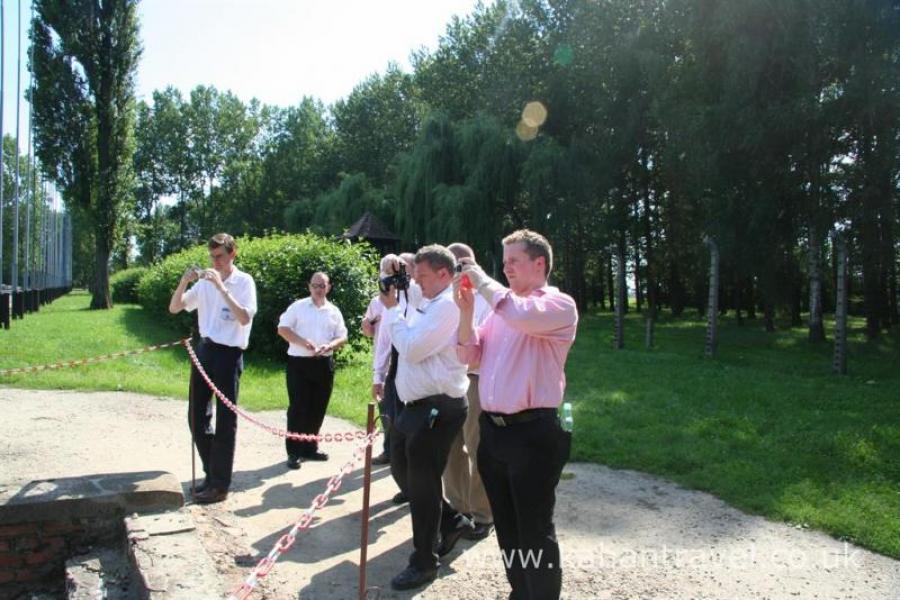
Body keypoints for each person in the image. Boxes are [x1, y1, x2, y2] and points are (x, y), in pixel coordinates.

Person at [455, 229, 578, 600]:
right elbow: (468, 356)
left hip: (533, 435)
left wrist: (479, 277)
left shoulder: (556, 306)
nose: (505, 267)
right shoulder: (500, 312)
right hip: (494, 433)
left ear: (539, 264)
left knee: (534, 529)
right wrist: (464, 314)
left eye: (513, 261)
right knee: (507, 526)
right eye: (503, 261)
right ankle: (520, 591)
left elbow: (519, 314)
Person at [380, 245, 469, 591]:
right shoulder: (427, 298)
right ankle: (451, 520)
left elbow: (413, 348)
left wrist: (391, 313)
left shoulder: (447, 305)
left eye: (423, 275)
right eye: (414, 275)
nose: (416, 281)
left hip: (438, 407)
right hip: (415, 406)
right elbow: (401, 290)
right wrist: (392, 270)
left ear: (444, 274)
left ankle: (423, 563)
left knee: (422, 482)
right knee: (402, 469)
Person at [169, 233, 258, 504]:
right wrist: (184, 281)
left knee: (225, 421)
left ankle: (219, 484)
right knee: (196, 416)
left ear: (233, 254)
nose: (214, 261)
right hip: (204, 350)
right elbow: (175, 308)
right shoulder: (205, 283)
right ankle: (212, 471)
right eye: (212, 256)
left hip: (229, 354)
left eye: (219, 256)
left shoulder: (244, 282)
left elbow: (244, 317)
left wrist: (222, 288)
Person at [438, 242, 494, 556]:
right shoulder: (444, 295)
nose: (459, 271)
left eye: (464, 264)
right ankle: (458, 509)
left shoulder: (487, 293)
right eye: (454, 265)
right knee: (449, 448)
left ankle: (483, 514)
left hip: (474, 378)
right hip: (448, 379)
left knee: (475, 446)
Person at [277, 272, 348, 469]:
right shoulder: (298, 307)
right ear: (309, 287)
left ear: (329, 287)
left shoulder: (333, 311)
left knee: (318, 407)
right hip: (299, 362)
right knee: (298, 407)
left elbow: (342, 336)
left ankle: (310, 447)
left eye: (322, 285)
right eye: (315, 285)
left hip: (323, 363)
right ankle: (294, 451)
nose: (318, 289)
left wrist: (330, 346)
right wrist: (303, 342)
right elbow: (282, 329)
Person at [361, 254, 398, 466]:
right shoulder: (377, 301)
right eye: (384, 271)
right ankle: (388, 449)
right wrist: (368, 325)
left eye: (390, 271)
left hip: (403, 360)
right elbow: (368, 330)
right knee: (385, 408)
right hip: (382, 361)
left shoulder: (407, 296)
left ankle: (397, 452)